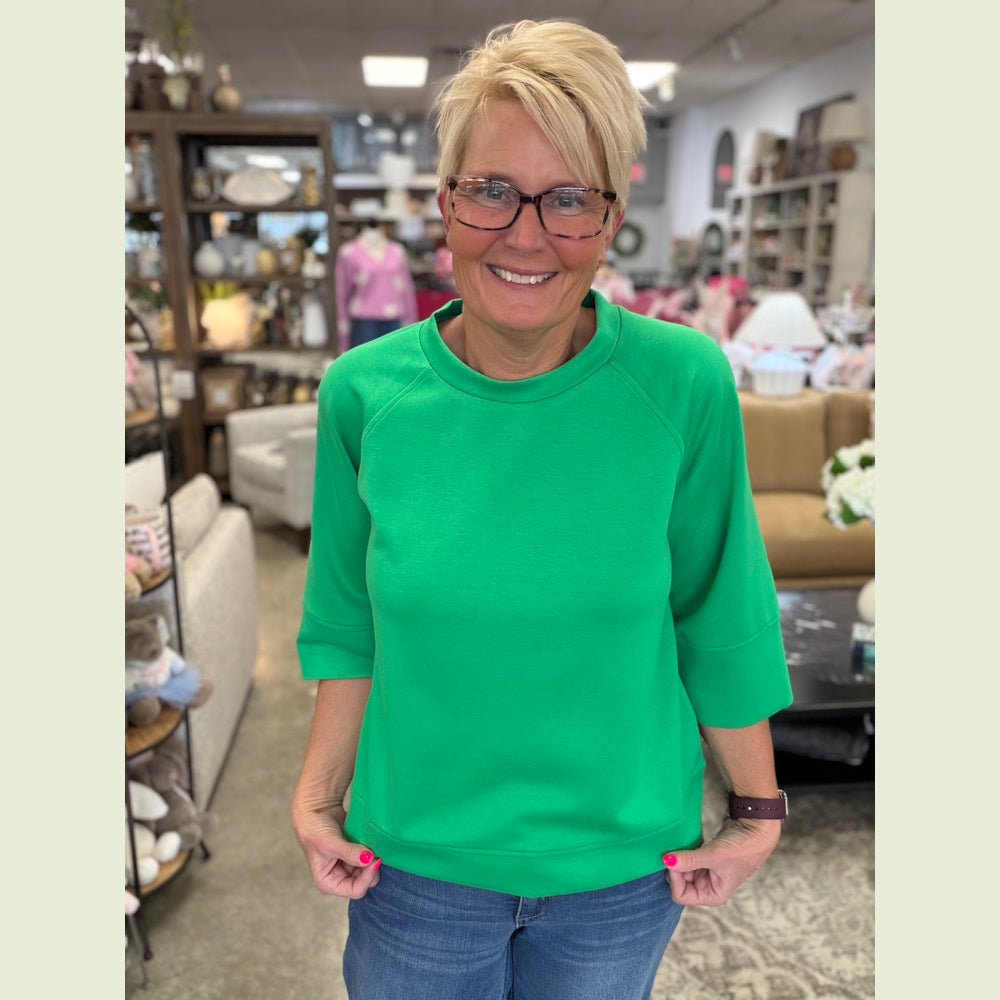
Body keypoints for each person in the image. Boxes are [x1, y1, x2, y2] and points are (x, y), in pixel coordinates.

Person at [293, 19, 793, 1000]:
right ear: (444, 203)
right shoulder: (363, 395)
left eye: (567, 199)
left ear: (610, 219)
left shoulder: (682, 383)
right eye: (491, 191)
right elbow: (346, 621)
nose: (526, 235)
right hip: (415, 868)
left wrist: (758, 807)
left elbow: (717, 612)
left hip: (620, 871)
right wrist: (317, 796)